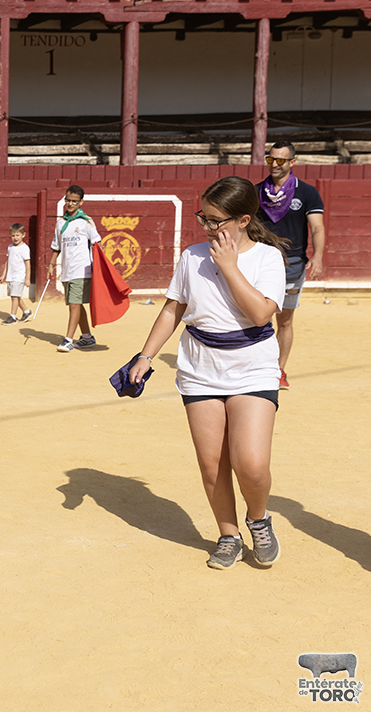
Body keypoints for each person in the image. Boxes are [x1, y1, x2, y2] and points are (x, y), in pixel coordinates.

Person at [129, 176, 287, 570]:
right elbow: (172, 310)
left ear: (243, 220)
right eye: (204, 217)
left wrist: (230, 266)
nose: (207, 227)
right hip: (199, 368)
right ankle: (228, 534)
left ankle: (258, 518)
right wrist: (145, 356)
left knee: (251, 463)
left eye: (215, 220)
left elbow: (261, 313)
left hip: (253, 368)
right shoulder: (191, 256)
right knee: (212, 464)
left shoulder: (267, 258)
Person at [255, 141, 326, 390]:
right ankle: (255, 368)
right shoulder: (256, 192)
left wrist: (317, 256)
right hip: (260, 262)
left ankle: (279, 370)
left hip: (292, 263)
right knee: (256, 317)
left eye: (281, 160)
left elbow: (317, 227)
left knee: (284, 321)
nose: (275, 164)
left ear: (292, 162)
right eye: (271, 159)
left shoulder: (306, 193)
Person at [46, 185, 101, 352]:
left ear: (81, 202)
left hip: (82, 269)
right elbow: (57, 247)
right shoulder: (60, 223)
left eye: (74, 201)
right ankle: (87, 337)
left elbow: (97, 244)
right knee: (75, 304)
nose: (70, 204)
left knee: (74, 305)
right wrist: (51, 264)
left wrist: (100, 268)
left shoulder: (86, 222)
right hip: (67, 270)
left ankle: (68, 339)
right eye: (68, 200)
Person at [0, 222, 32, 324]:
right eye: (13, 235)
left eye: (17, 235)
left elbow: (28, 263)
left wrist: (27, 278)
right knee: (15, 296)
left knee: (15, 296)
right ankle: (26, 311)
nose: (15, 238)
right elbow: (8, 261)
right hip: (10, 276)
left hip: (19, 276)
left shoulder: (25, 248)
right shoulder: (10, 247)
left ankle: (13, 317)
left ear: (23, 235)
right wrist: (3, 275)